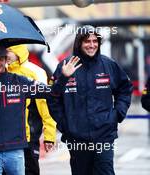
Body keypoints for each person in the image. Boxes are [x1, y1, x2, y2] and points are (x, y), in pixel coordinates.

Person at [0, 45, 80, 175]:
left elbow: (51, 93)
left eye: (0, 59)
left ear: (6, 59)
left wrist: (63, 77)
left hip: (16, 148)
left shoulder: (20, 82)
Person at [48, 25, 133, 175]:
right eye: (87, 41)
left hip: (104, 136)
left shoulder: (108, 65)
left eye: (95, 41)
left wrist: (117, 114)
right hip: (77, 139)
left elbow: (125, 88)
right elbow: (53, 98)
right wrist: (65, 124)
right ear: (79, 43)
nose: (92, 45)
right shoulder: (65, 66)